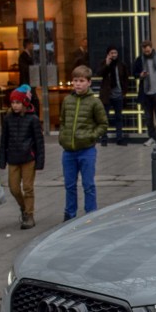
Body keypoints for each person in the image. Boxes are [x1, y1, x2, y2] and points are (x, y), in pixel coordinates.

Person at [57, 64, 108, 221]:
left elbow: (103, 124)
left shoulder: (94, 102)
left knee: (88, 184)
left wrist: (92, 136)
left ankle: (91, 213)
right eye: (75, 80)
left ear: (89, 82)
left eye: (81, 80)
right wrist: (63, 136)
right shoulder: (67, 100)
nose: (77, 84)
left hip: (86, 150)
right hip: (69, 151)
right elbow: (63, 120)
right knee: (70, 185)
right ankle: (70, 214)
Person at [0, 84, 46, 230]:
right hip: (13, 158)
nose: (15, 105)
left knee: (28, 188)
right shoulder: (8, 118)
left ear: (25, 102)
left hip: (28, 158)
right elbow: (4, 140)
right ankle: (24, 208)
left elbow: (39, 142)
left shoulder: (33, 119)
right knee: (13, 188)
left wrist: (39, 161)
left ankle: (29, 215)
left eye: (18, 102)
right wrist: (2, 159)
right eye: (12, 103)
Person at [98, 45, 132, 146]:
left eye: (115, 53)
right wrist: (107, 64)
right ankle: (104, 138)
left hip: (118, 95)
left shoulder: (121, 65)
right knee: (105, 118)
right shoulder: (103, 63)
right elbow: (99, 73)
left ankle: (119, 138)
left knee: (119, 117)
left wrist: (124, 92)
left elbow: (126, 78)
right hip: (107, 96)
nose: (114, 55)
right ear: (108, 54)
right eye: (111, 53)